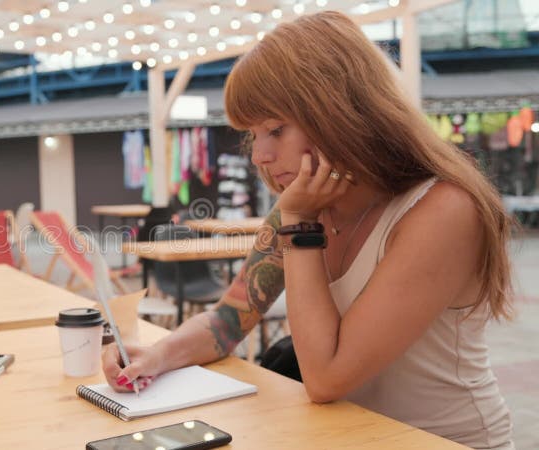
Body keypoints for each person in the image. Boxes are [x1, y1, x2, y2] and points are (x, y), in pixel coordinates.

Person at [102, 11, 514, 450]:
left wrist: (299, 225)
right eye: (253, 134)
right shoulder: (304, 205)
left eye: (275, 129)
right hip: (351, 436)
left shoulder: (442, 209)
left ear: (340, 112)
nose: (259, 155)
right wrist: (157, 355)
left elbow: (326, 378)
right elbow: (227, 321)